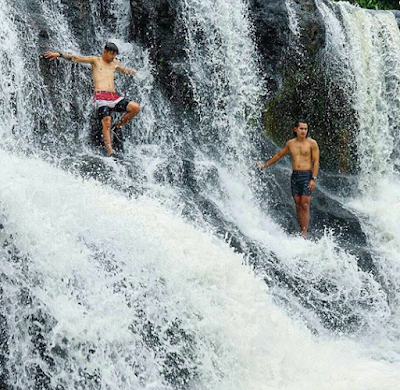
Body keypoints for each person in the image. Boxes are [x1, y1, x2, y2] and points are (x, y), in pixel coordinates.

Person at [44, 42, 140, 156]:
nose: (113, 57)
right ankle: (110, 152)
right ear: (105, 51)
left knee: (135, 107)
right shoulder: (95, 60)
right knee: (106, 121)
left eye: (114, 55)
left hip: (114, 97)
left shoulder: (115, 63)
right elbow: (76, 58)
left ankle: (117, 127)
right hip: (101, 97)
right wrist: (59, 54)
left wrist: (139, 73)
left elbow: (125, 71)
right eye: (111, 54)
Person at [256, 120, 320, 238]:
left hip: (306, 175)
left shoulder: (312, 143)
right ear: (295, 129)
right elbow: (279, 155)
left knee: (305, 204)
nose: (303, 131)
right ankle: (302, 228)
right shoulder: (290, 143)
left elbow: (316, 162)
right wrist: (265, 165)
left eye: (305, 129)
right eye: (301, 129)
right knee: (298, 204)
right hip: (295, 176)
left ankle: (304, 233)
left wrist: (313, 179)